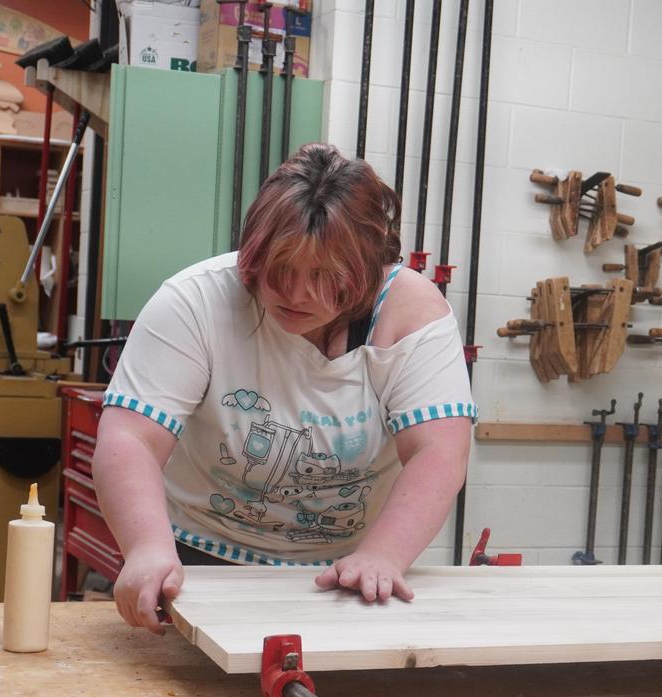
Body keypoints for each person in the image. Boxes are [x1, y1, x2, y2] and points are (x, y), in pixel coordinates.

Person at [93, 143, 475, 634]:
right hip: (196, 558)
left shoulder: (412, 313)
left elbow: (439, 451)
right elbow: (130, 437)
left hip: (343, 574)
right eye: (280, 270)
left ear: (367, 267)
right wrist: (147, 548)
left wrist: (383, 555)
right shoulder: (195, 301)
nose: (296, 294)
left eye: (324, 276)